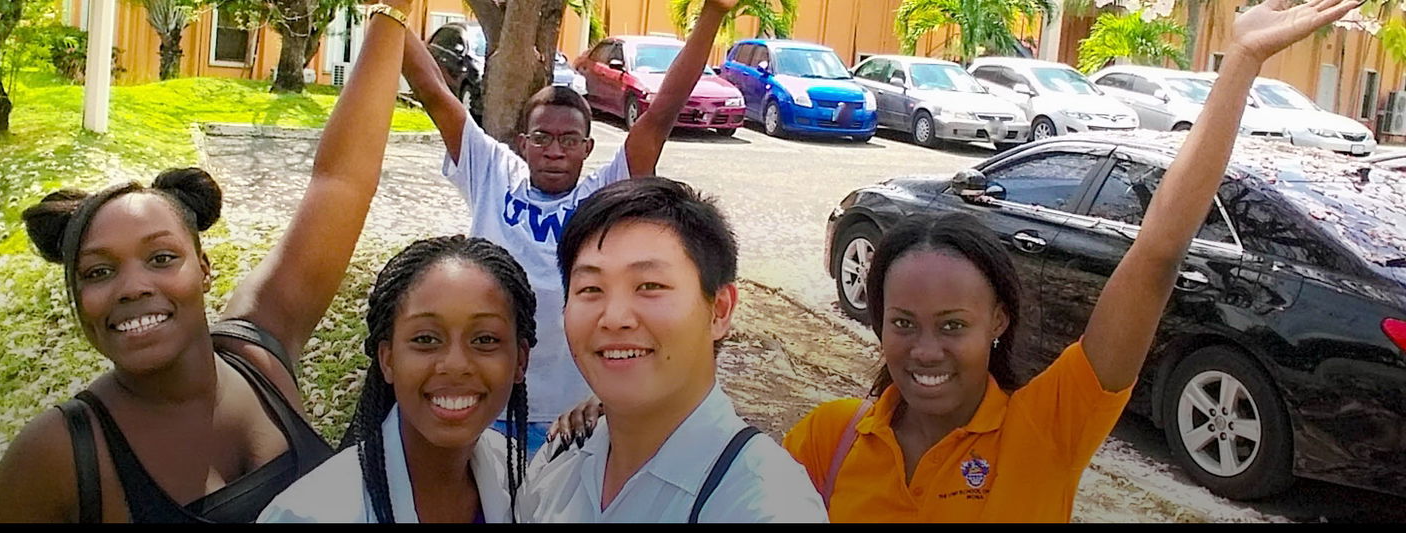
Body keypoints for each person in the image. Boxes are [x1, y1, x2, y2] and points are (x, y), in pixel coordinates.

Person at [780, 0, 1362, 522]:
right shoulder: (827, 441)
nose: (925, 350)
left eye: (954, 325)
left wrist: (1241, 59)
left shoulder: (1047, 428)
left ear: (999, 322)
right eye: (903, 322)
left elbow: (1157, 254)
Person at [0, 0, 418, 522]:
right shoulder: (59, 456)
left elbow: (340, 182)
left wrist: (392, 13)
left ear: (204, 269)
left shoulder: (259, 356)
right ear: (77, 299)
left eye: (161, 257)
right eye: (98, 271)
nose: (133, 286)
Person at [400, 0, 741, 453]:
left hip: (574, 416)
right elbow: (433, 91)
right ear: (523, 143)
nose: (554, 150)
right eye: (541, 137)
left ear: (588, 147)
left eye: (569, 140)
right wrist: (388, 14)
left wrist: (714, 13)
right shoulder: (491, 172)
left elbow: (660, 115)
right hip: (487, 405)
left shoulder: (604, 196)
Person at [519, 177, 827, 523]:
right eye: (590, 288)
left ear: (719, 310)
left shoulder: (763, 505)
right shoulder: (561, 458)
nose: (615, 318)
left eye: (650, 286)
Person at [258, 236, 537, 523]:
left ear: (520, 360)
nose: (455, 365)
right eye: (426, 339)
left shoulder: (520, 476)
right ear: (387, 359)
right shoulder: (309, 514)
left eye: (485, 339)